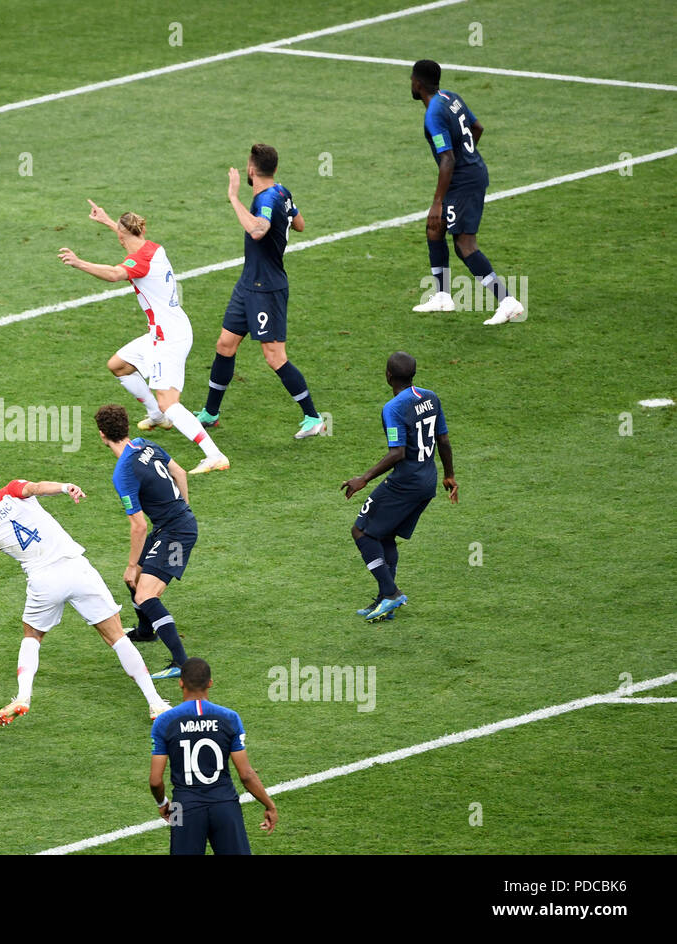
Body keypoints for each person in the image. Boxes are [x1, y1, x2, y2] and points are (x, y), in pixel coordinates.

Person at [0, 462, 172, 725]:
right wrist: (65, 487)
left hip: (42, 582)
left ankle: (23, 697)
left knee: (32, 636)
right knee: (117, 637)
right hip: (75, 567)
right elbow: (37, 488)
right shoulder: (13, 489)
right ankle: (155, 703)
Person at [59, 202, 229, 475]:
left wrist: (79, 263)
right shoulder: (152, 248)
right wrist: (106, 220)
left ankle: (214, 454)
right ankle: (157, 416)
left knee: (169, 400)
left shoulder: (139, 262)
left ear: (121, 236)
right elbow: (128, 238)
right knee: (118, 365)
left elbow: (115, 274)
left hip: (169, 339)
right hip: (163, 332)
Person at [197, 144, 325, 441]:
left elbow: (257, 230)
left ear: (251, 170)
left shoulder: (266, 198)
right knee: (225, 344)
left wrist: (233, 197)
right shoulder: (282, 192)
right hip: (248, 285)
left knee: (274, 355)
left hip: (267, 289)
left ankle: (313, 417)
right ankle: (210, 413)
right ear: (275, 169)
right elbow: (301, 224)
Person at [340, 352, 457, 622]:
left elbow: (398, 453)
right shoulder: (430, 397)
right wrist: (449, 475)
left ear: (388, 375)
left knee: (361, 531)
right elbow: (444, 440)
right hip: (427, 480)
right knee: (385, 535)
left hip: (406, 482)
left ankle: (391, 592)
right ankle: (385, 600)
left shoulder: (393, 408)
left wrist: (363, 479)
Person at [409, 59, 525, 325]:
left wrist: (438, 202)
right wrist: (468, 155)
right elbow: (477, 128)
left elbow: (447, 158)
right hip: (468, 174)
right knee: (434, 229)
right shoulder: (450, 97)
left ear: (418, 83)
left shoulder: (433, 114)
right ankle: (441, 296)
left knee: (464, 244)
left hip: (463, 181)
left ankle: (507, 301)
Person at [95, 405, 195, 681]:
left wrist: (130, 564)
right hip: (173, 526)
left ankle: (181, 663)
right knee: (134, 580)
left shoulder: (123, 473)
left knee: (145, 594)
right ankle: (145, 631)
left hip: (176, 534)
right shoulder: (145, 443)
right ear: (126, 428)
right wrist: (183, 510)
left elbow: (138, 525)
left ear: (103, 435)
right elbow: (181, 473)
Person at [150, 658, 278, 855]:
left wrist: (163, 804)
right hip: (226, 804)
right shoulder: (229, 718)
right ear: (210, 683)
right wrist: (269, 805)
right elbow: (246, 775)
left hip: (182, 806)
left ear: (181, 682)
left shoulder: (164, 722)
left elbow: (155, 781)